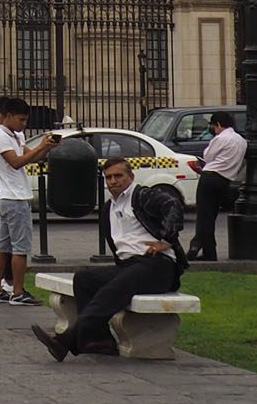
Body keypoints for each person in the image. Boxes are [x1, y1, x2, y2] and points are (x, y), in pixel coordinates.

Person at [31, 154, 187, 362]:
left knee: (114, 289)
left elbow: (173, 205)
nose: (113, 181)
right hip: (129, 266)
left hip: (157, 266)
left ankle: (65, 342)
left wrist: (166, 240)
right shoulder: (109, 207)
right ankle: (99, 340)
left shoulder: (142, 196)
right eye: (109, 177)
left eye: (118, 176)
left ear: (131, 176)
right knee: (85, 280)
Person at [0, 96, 49, 306]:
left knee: (2, 246)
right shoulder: (2, 137)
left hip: (8, 197)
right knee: (20, 249)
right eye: (21, 119)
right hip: (14, 198)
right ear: (9, 116)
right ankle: (17, 292)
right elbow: (16, 162)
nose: (24, 124)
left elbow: (31, 157)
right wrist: (42, 146)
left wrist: (46, 147)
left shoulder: (15, 136)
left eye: (26, 120)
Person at [188, 110, 244, 263]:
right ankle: (208, 251)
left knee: (204, 216)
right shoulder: (241, 140)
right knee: (211, 215)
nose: (214, 130)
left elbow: (207, 156)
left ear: (218, 124)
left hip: (210, 177)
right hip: (225, 180)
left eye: (214, 127)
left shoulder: (221, 138)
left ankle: (199, 247)